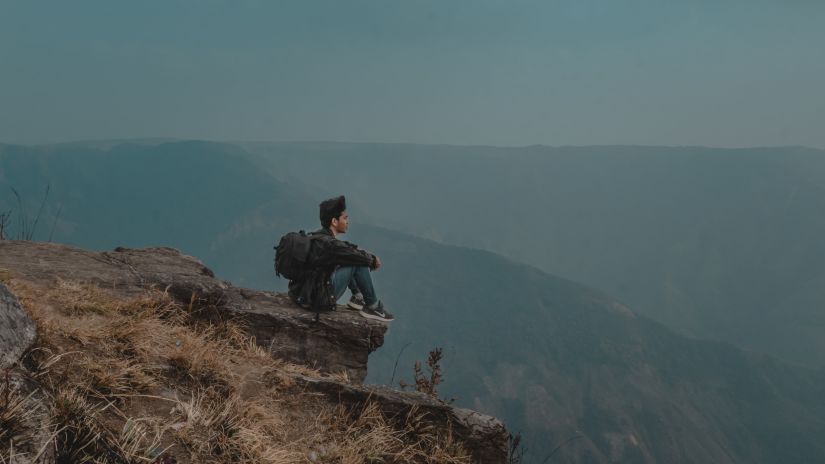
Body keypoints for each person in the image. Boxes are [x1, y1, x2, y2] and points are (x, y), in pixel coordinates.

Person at [288, 195, 394, 322]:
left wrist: (362, 252)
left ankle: (357, 297)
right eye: (345, 218)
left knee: (350, 258)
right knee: (357, 262)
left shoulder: (318, 237)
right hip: (318, 300)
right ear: (334, 221)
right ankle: (373, 306)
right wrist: (372, 260)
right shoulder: (331, 245)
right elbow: (350, 254)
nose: (347, 221)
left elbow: (345, 249)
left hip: (303, 296)